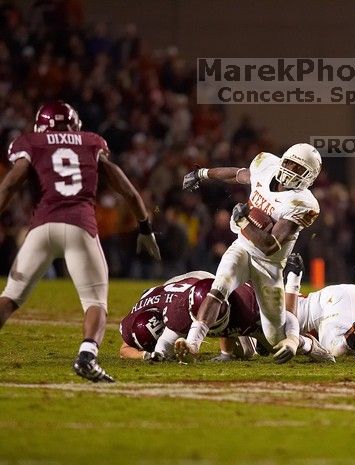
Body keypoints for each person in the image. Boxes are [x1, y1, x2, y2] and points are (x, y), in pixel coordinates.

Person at [0, 101, 161, 383]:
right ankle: (86, 356)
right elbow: (128, 191)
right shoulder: (90, 143)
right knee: (95, 302)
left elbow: (10, 184)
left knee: (10, 297)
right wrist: (145, 227)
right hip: (80, 227)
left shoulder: (32, 142)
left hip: (42, 228)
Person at [177, 144, 321, 364]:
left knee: (275, 337)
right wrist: (201, 173)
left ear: (308, 178)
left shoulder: (302, 203)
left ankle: (307, 344)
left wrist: (244, 221)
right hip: (242, 248)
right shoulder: (267, 165)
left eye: (298, 168)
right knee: (219, 287)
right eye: (290, 162)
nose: (291, 169)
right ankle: (192, 343)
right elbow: (238, 174)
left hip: (269, 266)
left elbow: (270, 244)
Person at [118, 269, 333, 363]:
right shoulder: (177, 312)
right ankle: (224, 351)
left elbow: (288, 316)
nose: (209, 319)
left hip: (229, 302)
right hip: (187, 291)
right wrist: (155, 355)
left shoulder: (245, 304)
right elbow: (162, 348)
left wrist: (295, 340)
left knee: (274, 344)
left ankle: (309, 344)